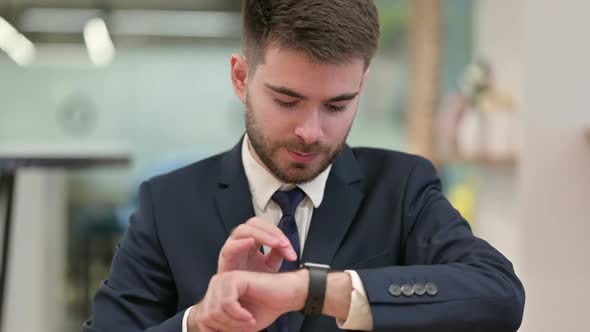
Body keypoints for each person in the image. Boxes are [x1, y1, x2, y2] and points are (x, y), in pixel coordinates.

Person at [83, 0, 525, 331]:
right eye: (287, 101)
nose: (311, 131)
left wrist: (310, 290)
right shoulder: (169, 203)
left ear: (361, 86)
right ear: (241, 77)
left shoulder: (402, 188)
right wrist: (199, 322)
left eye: (337, 105)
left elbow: (498, 294)